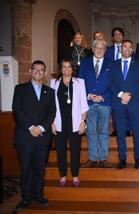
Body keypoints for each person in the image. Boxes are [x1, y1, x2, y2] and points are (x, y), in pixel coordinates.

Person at [12, 60, 56, 211]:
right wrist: (31, 127)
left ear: (44, 73)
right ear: (30, 71)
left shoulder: (50, 92)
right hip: (25, 136)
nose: (38, 72)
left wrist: (41, 128)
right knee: (26, 168)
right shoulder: (20, 89)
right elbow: (17, 110)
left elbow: (52, 112)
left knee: (39, 168)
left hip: (43, 137)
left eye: (41, 70)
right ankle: (26, 197)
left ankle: (38, 195)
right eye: (35, 69)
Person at [51, 59, 89, 187]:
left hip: (76, 122)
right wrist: (51, 123)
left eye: (69, 67)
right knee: (60, 150)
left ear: (73, 69)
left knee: (75, 150)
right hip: (58, 122)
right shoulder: (53, 83)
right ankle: (62, 175)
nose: (67, 69)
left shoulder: (80, 83)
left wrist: (83, 122)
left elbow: (84, 104)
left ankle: (75, 175)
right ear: (60, 69)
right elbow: (50, 106)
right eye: (64, 67)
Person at [109, 39, 139, 169]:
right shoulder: (113, 64)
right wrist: (120, 95)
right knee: (120, 133)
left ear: (132, 50)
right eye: (125, 47)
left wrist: (128, 95)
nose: (127, 49)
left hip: (133, 102)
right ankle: (122, 159)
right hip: (118, 103)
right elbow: (110, 82)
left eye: (130, 47)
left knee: (136, 132)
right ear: (121, 49)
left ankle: (137, 159)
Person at [78, 38, 112, 168]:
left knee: (104, 130)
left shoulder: (111, 63)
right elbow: (79, 83)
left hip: (105, 102)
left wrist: (102, 97)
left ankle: (103, 158)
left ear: (105, 50)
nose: (99, 50)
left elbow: (113, 84)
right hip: (89, 103)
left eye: (102, 48)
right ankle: (92, 158)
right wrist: (88, 95)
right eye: (97, 48)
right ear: (92, 49)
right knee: (91, 131)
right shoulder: (84, 63)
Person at [105, 27, 131, 137]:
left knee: (127, 106)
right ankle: (116, 129)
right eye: (115, 35)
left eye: (120, 34)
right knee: (115, 106)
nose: (118, 36)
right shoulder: (108, 50)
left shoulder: (128, 49)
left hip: (126, 80)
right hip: (114, 81)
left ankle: (127, 129)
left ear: (123, 36)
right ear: (112, 37)